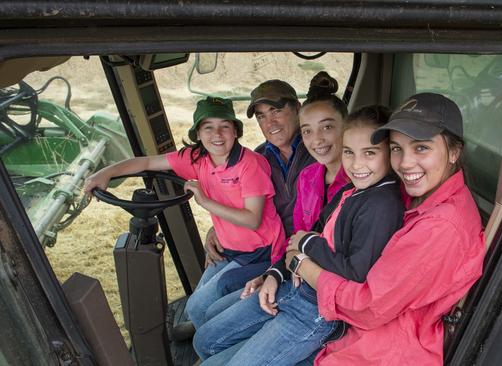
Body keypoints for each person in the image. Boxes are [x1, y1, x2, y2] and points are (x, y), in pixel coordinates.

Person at [195, 105, 404, 365]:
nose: (356, 164)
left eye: (370, 153)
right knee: (203, 340)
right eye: (349, 152)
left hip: (317, 310)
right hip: (293, 285)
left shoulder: (382, 203)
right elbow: (306, 233)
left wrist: (307, 244)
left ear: (392, 154)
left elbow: (354, 269)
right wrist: (275, 273)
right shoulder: (351, 190)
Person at [290, 93, 486, 365]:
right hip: (352, 334)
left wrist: (303, 265)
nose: (405, 163)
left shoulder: (439, 226)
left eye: (421, 148)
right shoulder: (418, 195)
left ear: (454, 152)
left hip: (377, 351)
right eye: (396, 148)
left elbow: (367, 307)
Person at [83, 96, 286, 330]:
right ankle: (203, 327)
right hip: (231, 249)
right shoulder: (197, 158)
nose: (217, 135)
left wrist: (205, 201)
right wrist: (107, 172)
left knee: (198, 307)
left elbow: (252, 220)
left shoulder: (250, 164)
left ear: (236, 132)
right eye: (208, 127)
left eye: (225, 127)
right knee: (196, 304)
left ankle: (210, 343)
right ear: (198, 134)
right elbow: (148, 162)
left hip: (262, 252)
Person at [194, 71, 351, 322]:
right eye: (261, 116)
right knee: (202, 291)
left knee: (211, 297)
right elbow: (243, 204)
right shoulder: (258, 159)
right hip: (261, 245)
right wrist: (217, 229)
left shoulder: (320, 152)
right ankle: (200, 330)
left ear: (298, 109)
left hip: (291, 253)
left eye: (276, 111)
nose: (270, 123)